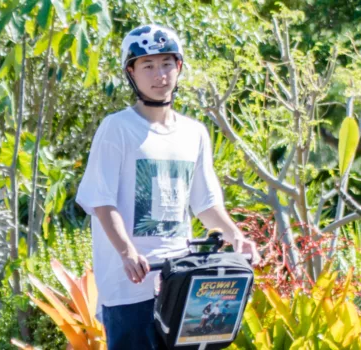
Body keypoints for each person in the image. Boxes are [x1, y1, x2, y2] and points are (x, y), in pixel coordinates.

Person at [74, 25, 261, 350]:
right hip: (128, 285)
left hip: (182, 283)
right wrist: (127, 252)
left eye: (166, 64)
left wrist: (236, 237)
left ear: (179, 67)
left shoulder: (194, 133)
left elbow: (205, 204)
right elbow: (101, 201)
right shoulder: (116, 129)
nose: (159, 75)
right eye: (148, 65)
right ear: (131, 72)